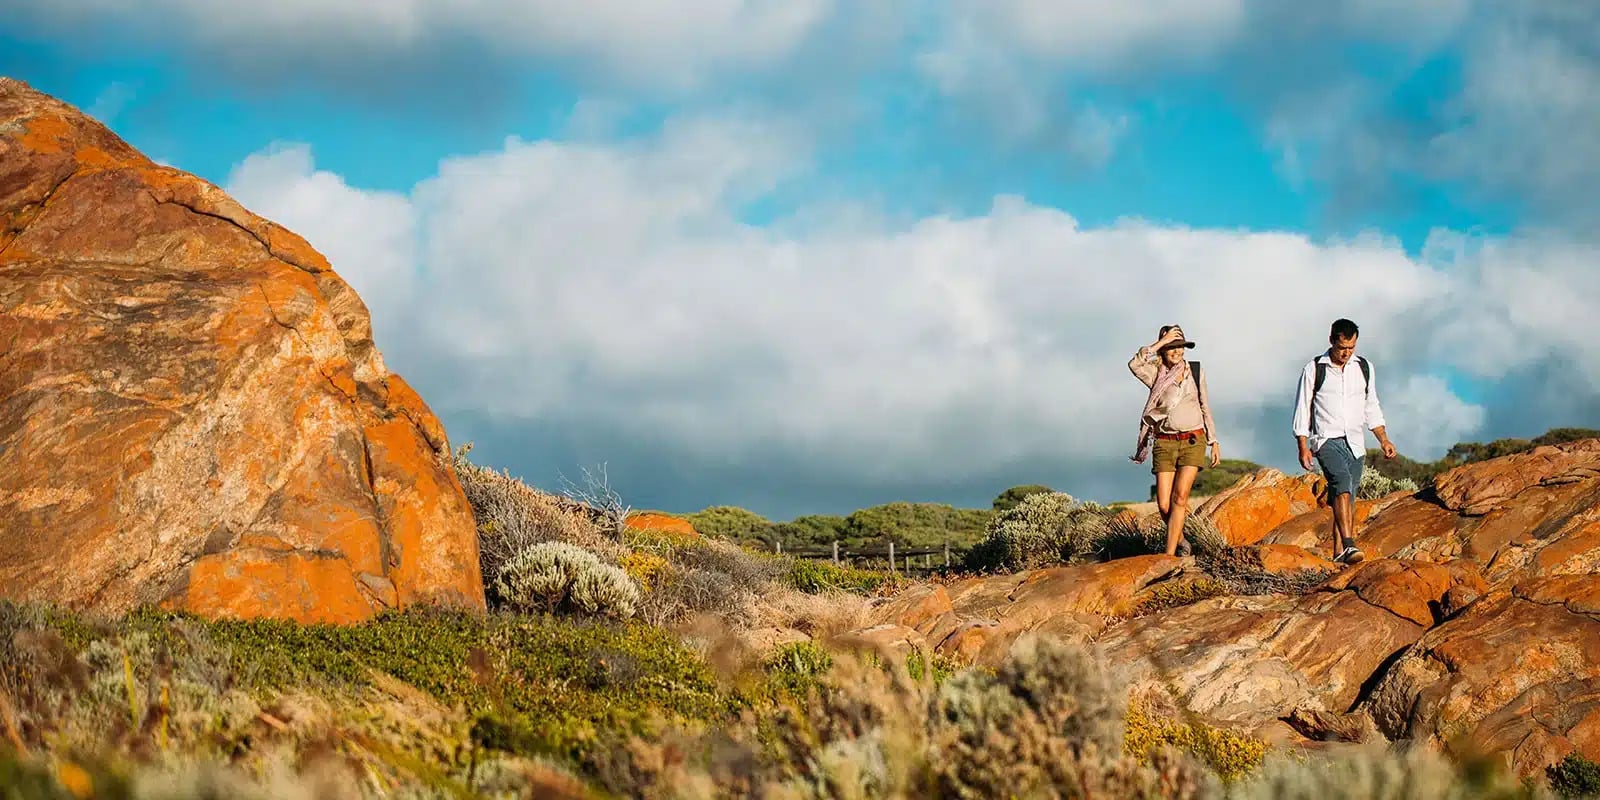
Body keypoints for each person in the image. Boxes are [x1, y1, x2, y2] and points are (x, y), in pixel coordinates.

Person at [1291, 318, 1397, 564]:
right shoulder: (1314, 368)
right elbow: (1302, 408)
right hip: (1326, 439)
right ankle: (1349, 544)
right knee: (1342, 482)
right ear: (1331, 341)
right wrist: (1303, 446)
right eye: (1342, 348)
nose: (1346, 354)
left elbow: (1372, 406)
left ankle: (1339, 553)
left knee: (1348, 497)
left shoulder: (1364, 367)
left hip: (1356, 442)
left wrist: (1383, 439)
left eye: (1351, 348)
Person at [1129, 324, 1221, 557]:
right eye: (1171, 347)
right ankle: (1181, 539)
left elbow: (1204, 405)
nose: (1177, 351)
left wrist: (1214, 440)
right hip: (1164, 442)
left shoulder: (1196, 371)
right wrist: (1159, 342)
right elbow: (1134, 364)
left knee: (1179, 498)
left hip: (1193, 439)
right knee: (1163, 504)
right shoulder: (1155, 373)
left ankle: (1169, 555)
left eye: (1180, 346)